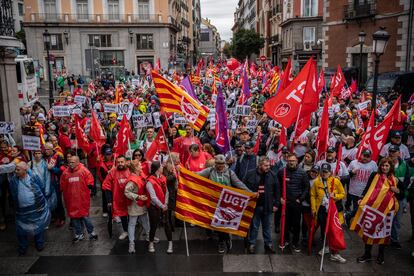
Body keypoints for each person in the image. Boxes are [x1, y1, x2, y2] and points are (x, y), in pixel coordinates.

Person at [198, 154, 252, 254]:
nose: (220, 166)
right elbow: (196, 175)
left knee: (225, 222)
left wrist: (250, 193)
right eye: (218, 164)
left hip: (227, 203)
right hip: (214, 203)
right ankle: (222, 241)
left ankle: (226, 239)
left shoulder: (230, 173)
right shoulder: (210, 171)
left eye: (222, 164)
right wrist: (182, 171)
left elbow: (239, 184)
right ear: (215, 163)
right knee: (217, 224)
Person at [354, 158, 400, 265]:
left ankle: (381, 254)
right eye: (383, 166)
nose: (384, 168)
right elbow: (368, 188)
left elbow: (401, 192)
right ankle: (367, 254)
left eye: (387, 166)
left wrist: (396, 190)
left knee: (383, 232)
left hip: (386, 211)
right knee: (369, 229)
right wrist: (362, 197)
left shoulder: (395, 179)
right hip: (373, 209)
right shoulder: (375, 176)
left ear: (390, 167)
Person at [8, 162, 51, 255]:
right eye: (16, 169)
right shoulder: (13, 180)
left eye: (18, 170)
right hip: (21, 210)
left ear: (25, 170)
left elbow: (41, 188)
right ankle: (23, 247)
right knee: (20, 229)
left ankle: (39, 243)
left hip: (35, 208)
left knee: (37, 226)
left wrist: (41, 203)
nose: (16, 171)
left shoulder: (34, 177)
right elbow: (12, 193)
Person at [310, 163, 346, 263]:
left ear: (330, 172)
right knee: (323, 229)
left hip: (332, 211)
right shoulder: (317, 182)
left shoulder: (336, 181)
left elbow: (343, 194)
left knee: (333, 231)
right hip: (321, 210)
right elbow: (312, 195)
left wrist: (335, 196)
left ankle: (335, 253)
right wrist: (313, 208)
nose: (324, 173)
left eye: (326, 172)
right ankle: (326, 246)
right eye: (322, 171)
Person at [244, 156, 279, 254]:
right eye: (266, 165)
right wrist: (251, 194)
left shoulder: (272, 175)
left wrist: (276, 204)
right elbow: (243, 187)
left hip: (267, 206)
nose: (268, 167)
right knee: (254, 227)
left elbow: (277, 191)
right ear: (260, 165)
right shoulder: (250, 174)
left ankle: (268, 244)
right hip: (255, 206)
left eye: (269, 165)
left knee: (267, 227)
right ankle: (252, 244)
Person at [60, 156, 98, 242]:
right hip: (71, 200)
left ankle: (91, 232)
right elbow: (62, 186)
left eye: (72, 162)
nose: (70, 164)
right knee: (74, 218)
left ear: (77, 162)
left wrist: (90, 186)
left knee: (85, 217)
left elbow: (90, 181)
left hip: (82, 199)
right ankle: (79, 234)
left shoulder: (84, 171)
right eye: (69, 162)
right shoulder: (65, 173)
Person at [277, 153, 309, 252]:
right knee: (285, 222)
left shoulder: (302, 173)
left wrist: (301, 199)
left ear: (297, 161)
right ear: (287, 161)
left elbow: (306, 187)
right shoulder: (282, 171)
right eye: (290, 161)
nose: (291, 162)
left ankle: (295, 242)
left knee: (296, 223)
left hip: (296, 202)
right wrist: (280, 198)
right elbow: (277, 186)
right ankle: (285, 239)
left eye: (293, 161)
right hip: (285, 202)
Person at [146, 161, 173, 254]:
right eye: (161, 166)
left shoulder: (163, 178)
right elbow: (153, 197)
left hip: (164, 206)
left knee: (167, 224)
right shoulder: (150, 181)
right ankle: (151, 243)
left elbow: (167, 192)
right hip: (154, 207)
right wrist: (162, 206)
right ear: (157, 169)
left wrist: (165, 203)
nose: (163, 167)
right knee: (153, 225)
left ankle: (170, 243)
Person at [102, 155, 131, 240]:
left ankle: (133, 231)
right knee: (123, 216)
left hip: (130, 199)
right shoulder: (112, 172)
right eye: (118, 162)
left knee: (133, 216)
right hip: (118, 199)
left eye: (122, 162)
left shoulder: (130, 170)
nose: (120, 164)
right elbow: (106, 186)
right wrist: (109, 200)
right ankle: (126, 231)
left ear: (125, 162)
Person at [124, 159, 150, 254]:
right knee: (132, 223)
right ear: (135, 168)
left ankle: (149, 236)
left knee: (145, 220)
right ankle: (131, 243)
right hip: (135, 204)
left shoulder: (140, 175)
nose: (141, 166)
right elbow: (126, 192)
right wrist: (138, 197)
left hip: (142, 202)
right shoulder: (132, 180)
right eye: (139, 165)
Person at [345, 149, 377, 223]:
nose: (365, 158)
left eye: (368, 156)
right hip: (354, 190)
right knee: (357, 208)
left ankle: (349, 216)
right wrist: (352, 172)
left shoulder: (373, 164)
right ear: (361, 155)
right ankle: (352, 220)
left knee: (362, 208)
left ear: (370, 157)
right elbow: (346, 175)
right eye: (364, 156)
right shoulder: (354, 163)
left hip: (367, 191)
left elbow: (376, 176)